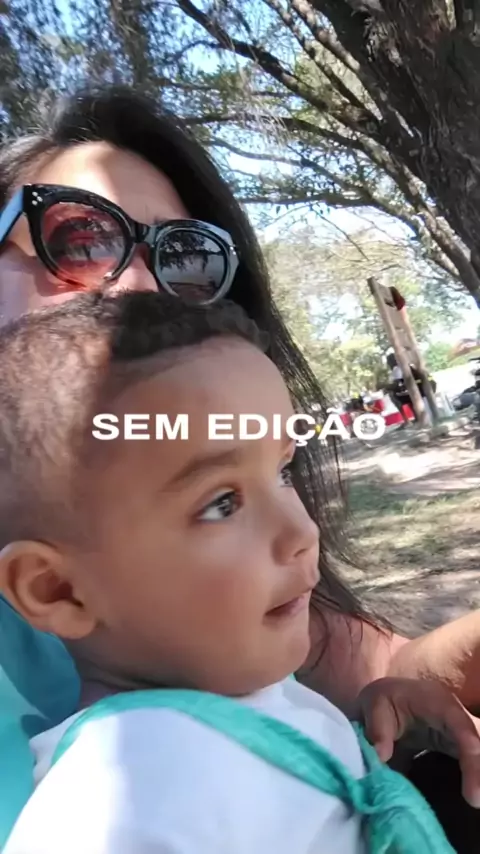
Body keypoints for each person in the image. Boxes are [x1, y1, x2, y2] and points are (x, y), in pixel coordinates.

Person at [1, 85, 480, 851]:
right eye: (81, 239)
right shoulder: (107, 807)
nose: (143, 289)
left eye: (183, 257)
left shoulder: (241, 569)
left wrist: (431, 675)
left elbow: (372, 669)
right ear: (52, 587)